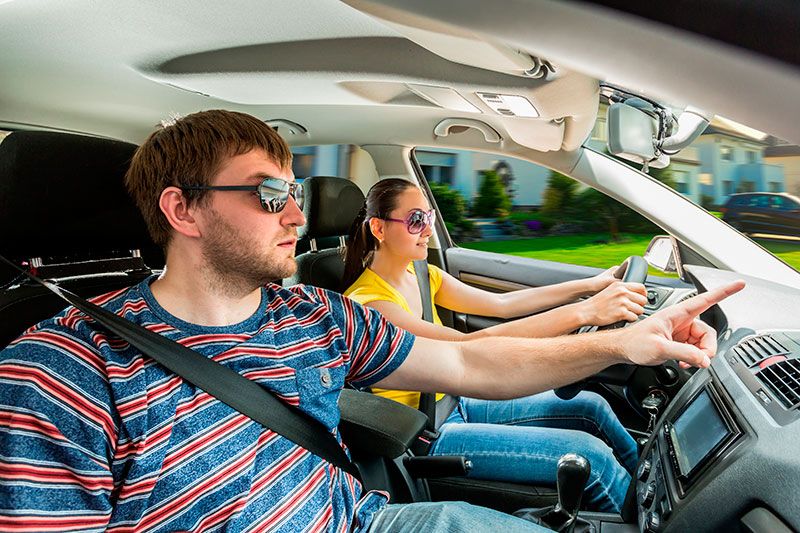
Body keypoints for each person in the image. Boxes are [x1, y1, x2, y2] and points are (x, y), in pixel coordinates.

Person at [0, 110, 744, 533]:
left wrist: (625, 339)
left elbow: (465, 364)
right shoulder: (58, 370)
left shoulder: (312, 314)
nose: (297, 215)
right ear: (182, 209)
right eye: (268, 196)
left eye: (294, 192)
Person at [342, 179, 644, 512]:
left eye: (429, 217)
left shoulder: (423, 274)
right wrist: (585, 312)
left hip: (457, 401)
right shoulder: (370, 305)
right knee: (589, 456)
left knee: (592, 407)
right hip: (425, 434)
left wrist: (590, 285)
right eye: (416, 220)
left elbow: (503, 305)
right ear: (379, 228)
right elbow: (472, 345)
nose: (427, 229)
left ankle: (647, 491)